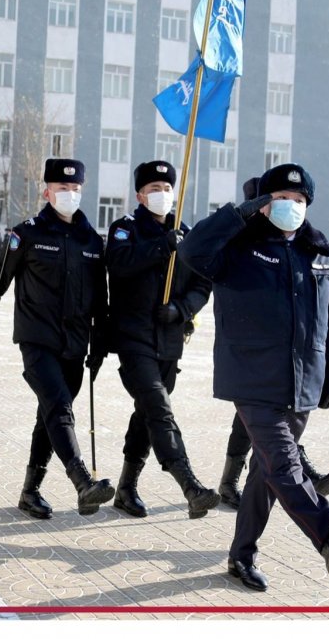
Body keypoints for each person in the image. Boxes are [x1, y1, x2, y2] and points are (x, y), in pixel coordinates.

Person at [180, 162, 329, 589]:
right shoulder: (238, 248)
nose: (292, 207)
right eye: (282, 199)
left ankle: (240, 557)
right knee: (283, 463)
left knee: (266, 477)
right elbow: (191, 252)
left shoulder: (319, 254)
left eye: (299, 201)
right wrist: (239, 213)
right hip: (252, 379)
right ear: (263, 204)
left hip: (304, 383)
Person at [0, 158, 115, 519]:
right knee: (59, 407)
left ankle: (30, 491)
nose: (69, 195)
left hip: (75, 343)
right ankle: (83, 481)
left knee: (50, 415)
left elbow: (101, 297)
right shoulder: (29, 232)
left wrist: (100, 341)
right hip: (37, 339)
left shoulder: (91, 241)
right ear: (46, 192)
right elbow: (0, 271)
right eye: (62, 189)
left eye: (74, 189)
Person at [217, 177, 329, 510]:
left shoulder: (293, 246)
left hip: (276, 363)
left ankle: (242, 489)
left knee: (259, 430)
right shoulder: (243, 244)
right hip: (247, 358)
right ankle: (284, 476)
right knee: (260, 429)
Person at [105, 160, 219, 519]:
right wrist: (160, 246)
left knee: (147, 413)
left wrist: (182, 310)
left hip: (170, 339)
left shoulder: (186, 234)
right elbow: (119, 265)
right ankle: (190, 485)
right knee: (159, 407)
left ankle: (126, 488)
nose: (162, 195)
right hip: (133, 336)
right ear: (140, 195)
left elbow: (203, 283)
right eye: (154, 189)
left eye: (167, 189)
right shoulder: (125, 229)